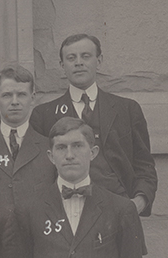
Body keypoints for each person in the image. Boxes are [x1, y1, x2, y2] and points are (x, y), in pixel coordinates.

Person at [15, 117, 145, 258]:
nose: (69, 154)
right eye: (61, 148)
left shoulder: (121, 209)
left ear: (93, 152)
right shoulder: (28, 209)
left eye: (77, 146)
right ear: (50, 156)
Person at [30, 33, 157, 217]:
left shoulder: (127, 109)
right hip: (66, 210)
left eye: (86, 56)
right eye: (71, 58)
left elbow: (144, 165)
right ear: (62, 65)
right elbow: (40, 173)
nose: (79, 62)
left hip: (118, 207)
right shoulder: (44, 114)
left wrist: (139, 202)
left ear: (99, 60)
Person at [0, 64, 57, 210]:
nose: (15, 102)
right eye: (7, 95)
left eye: (21, 94)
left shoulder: (50, 148)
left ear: (32, 98)